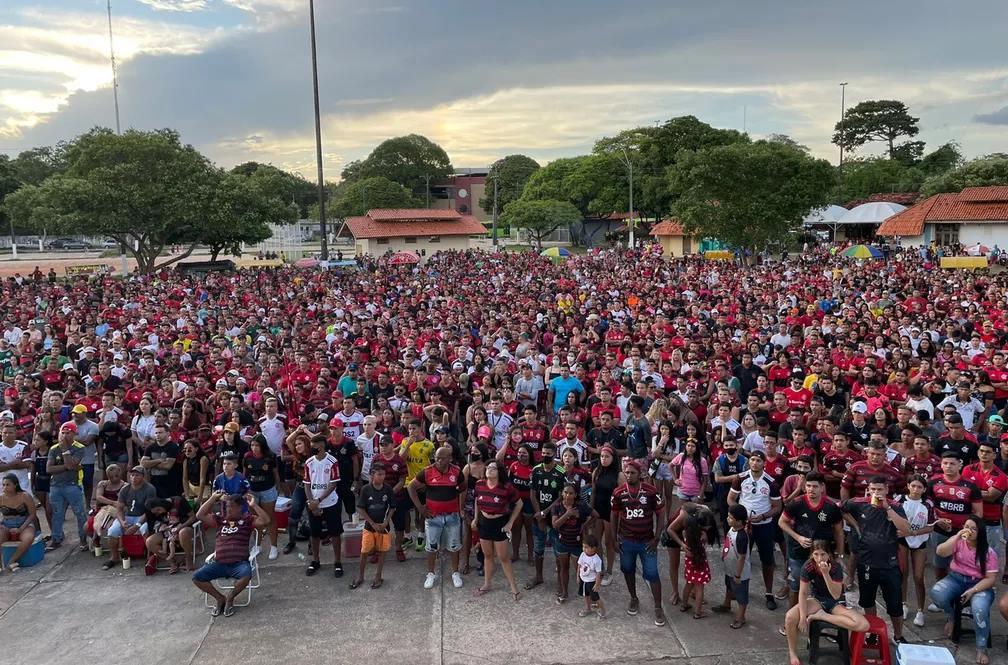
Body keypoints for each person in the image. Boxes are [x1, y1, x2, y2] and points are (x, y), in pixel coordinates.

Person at [842, 476, 912, 643]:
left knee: (895, 605)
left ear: (887, 490)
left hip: (890, 563)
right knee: (867, 600)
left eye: (879, 489)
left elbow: (906, 528)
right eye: (873, 489)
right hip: (866, 563)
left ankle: (898, 636)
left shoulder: (895, 506)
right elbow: (840, 508)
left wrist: (887, 508)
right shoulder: (859, 503)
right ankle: (872, 632)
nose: (876, 493)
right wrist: (855, 525)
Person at [783, 540, 870, 665]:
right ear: (812, 554)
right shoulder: (808, 566)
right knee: (790, 617)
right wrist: (802, 617)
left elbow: (835, 594)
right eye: (816, 554)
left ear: (829, 554)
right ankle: (792, 652)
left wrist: (825, 574)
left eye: (823, 554)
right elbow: (802, 593)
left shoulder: (835, 568)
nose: (819, 558)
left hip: (835, 603)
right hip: (817, 600)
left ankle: (823, 616)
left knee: (863, 625)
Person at [929, 515, 998, 665]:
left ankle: (981, 647)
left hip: (980, 584)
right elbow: (940, 552)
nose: (969, 530)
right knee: (936, 593)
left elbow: (991, 579)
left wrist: (973, 590)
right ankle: (952, 616)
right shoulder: (959, 542)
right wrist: (956, 537)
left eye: (973, 528)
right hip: (956, 578)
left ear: (980, 532)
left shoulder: (989, 552)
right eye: (967, 526)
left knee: (979, 608)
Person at [191, 491, 270, 617]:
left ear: (240, 508)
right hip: (219, 564)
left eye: (231, 506)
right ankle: (219, 598)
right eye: (226, 506)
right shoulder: (220, 520)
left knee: (246, 575)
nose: (228, 509)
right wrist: (212, 498)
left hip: (239, 564)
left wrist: (254, 505)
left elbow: (266, 521)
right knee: (197, 577)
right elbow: (200, 515)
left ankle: (230, 597)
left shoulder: (247, 520)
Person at [611, 459, 667, 627]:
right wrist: (614, 538)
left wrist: (656, 538)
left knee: (652, 574)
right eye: (626, 473)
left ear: (640, 474)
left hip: (646, 542)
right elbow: (613, 516)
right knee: (628, 570)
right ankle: (634, 598)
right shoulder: (618, 492)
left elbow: (661, 513)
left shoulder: (651, 491)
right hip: (626, 541)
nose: (629, 475)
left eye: (632, 473)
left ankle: (658, 607)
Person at [778, 472, 844, 613]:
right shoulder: (796, 503)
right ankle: (792, 617)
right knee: (796, 587)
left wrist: (839, 553)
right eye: (808, 486)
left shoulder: (831, 507)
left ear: (822, 487)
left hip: (823, 555)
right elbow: (782, 522)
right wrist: (798, 537)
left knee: (826, 588)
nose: (811, 489)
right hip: (798, 552)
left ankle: (821, 619)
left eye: (814, 486)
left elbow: (839, 531)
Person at [728, 450, 782, 610]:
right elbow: (731, 499)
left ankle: (769, 593)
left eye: (758, 460)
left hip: (764, 525)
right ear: (749, 461)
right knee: (739, 557)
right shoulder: (740, 478)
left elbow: (777, 506)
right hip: (744, 526)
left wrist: (764, 515)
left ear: (764, 463)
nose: (755, 463)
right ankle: (735, 589)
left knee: (767, 560)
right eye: (752, 460)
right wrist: (740, 515)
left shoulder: (771, 482)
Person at [408, 444, 465, 590]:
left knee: (454, 546)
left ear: (450, 459)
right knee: (431, 547)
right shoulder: (427, 472)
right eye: (437, 457)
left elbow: (463, 486)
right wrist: (420, 508)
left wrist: (454, 494)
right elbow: (411, 487)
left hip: (452, 516)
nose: (438, 460)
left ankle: (455, 573)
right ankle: (431, 574)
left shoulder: (457, 471)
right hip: (433, 518)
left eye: (442, 458)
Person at [473, 460, 523, 600]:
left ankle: (514, 588)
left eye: (493, 469)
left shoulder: (507, 488)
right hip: (484, 523)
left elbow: (519, 504)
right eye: (488, 467)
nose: (489, 470)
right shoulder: (479, 484)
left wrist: (510, 523)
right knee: (487, 555)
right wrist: (476, 519)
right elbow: (477, 502)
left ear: (499, 472)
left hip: (499, 523)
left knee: (503, 557)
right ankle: (487, 584)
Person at [302, 434, 343, 577]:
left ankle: (337, 562)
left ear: (322, 445)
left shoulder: (332, 461)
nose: (312, 448)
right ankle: (315, 560)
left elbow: (333, 484)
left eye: (314, 445)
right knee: (314, 534)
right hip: (313, 503)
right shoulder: (308, 463)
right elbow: (307, 485)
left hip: (330, 503)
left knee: (335, 533)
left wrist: (318, 501)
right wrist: (311, 503)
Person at [526, 441, 565, 590]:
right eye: (543, 453)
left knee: (557, 549)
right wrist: (539, 514)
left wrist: (545, 512)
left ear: (554, 454)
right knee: (538, 548)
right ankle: (538, 576)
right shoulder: (536, 470)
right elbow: (533, 493)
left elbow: (561, 497)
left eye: (548, 454)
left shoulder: (561, 472)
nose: (545, 456)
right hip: (539, 516)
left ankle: (560, 581)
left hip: (554, 516)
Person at [102, 465, 157, 569]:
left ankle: (150, 556)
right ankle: (114, 557)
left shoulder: (150, 489)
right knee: (112, 531)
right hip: (128, 516)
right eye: (132, 475)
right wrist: (122, 522)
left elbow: (149, 511)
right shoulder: (125, 489)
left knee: (145, 529)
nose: (134, 478)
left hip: (143, 516)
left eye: (137, 475)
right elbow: (119, 508)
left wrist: (136, 526)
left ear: (143, 477)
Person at [46, 421, 89, 552]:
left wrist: (65, 451)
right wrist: (68, 466)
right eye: (62, 433)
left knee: (80, 513)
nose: (64, 436)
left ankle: (83, 539)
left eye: (68, 433)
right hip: (56, 485)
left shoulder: (80, 448)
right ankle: (56, 539)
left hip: (73, 484)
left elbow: (71, 465)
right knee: (57, 514)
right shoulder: (53, 449)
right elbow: (49, 469)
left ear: (74, 433)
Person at [551, 482, 596, 603]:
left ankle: (588, 594)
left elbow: (595, 515)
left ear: (576, 494)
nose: (568, 495)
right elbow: (555, 525)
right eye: (565, 492)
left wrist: (584, 525)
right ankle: (564, 592)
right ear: (562, 493)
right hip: (562, 543)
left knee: (581, 570)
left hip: (577, 544)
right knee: (563, 568)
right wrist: (568, 514)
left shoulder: (581, 506)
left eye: (571, 493)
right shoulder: (557, 506)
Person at [898, 475, 933, 629]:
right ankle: (903, 604)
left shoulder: (928, 504)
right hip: (901, 541)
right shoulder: (899, 500)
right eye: (913, 486)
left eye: (919, 487)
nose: (916, 489)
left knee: (918, 577)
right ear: (908, 486)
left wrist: (911, 533)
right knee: (903, 573)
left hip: (920, 541)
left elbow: (931, 526)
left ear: (924, 489)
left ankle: (920, 610)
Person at [351, 462, 393, 590]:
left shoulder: (388, 489)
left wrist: (386, 522)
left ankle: (378, 575)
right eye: (379, 474)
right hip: (369, 527)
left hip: (384, 527)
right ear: (372, 475)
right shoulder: (366, 489)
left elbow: (392, 507)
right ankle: (361, 576)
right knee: (364, 551)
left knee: (382, 551)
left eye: (383, 474)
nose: (382, 477)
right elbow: (361, 508)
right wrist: (372, 523)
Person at [713, 503, 750, 629]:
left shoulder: (742, 536)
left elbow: (742, 557)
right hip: (730, 568)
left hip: (739, 572)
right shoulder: (732, 529)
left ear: (739, 522)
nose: (728, 519)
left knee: (741, 595)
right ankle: (726, 604)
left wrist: (738, 575)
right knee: (729, 586)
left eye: (731, 518)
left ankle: (741, 617)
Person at [244, 435, 280, 560]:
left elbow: (275, 474)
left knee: (270, 518)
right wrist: (245, 490)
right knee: (255, 519)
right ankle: (257, 545)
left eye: (257, 445)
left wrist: (278, 489)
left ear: (262, 446)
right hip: (252, 491)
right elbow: (245, 474)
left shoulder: (270, 457)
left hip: (268, 490)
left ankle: (274, 546)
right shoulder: (247, 457)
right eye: (252, 445)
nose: (254, 448)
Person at [0, 473, 37, 571]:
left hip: (24, 522)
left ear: (15, 485)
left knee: (28, 538)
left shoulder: (24, 496)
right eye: (3, 485)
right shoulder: (1, 498)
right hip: (6, 523)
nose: (5, 487)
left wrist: (21, 529)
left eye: (8, 485)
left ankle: (11, 561)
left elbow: (32, 514)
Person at [577, 533, 606, 619]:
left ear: (593, 548)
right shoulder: (583, 555)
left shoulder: (597, 560)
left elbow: (598, 573)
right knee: (585, 595)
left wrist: (597, 584)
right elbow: (579, 565)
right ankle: (587, 608)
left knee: (596, 598)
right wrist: (577, 576)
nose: (584, 549)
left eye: (586, 547)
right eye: (583, 546)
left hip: (591, 582)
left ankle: (603, 611)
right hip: (583, 580)